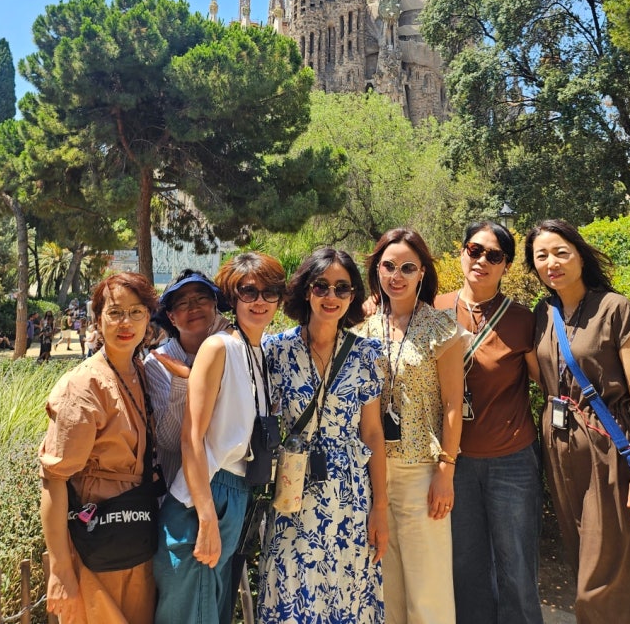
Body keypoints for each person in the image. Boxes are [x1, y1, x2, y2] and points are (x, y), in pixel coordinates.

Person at [525, 219, 630, 624]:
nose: (551, 263)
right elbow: (540, 375)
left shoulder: (615, 308)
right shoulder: (543, 313)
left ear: (580, 256)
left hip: (607, 447)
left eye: (560, 252)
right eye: (541, 256)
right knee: (584, 554)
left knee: (601, 576)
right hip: (559, 448)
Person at [258, 247, 388, 624]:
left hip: (348, 494)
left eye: (341, 288)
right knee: (289, 586)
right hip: (293, 487)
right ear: (306, 290)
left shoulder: (366, 354)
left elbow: (372, 433)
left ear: (352, 295)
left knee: (345, 592)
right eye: (321, 286)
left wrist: (380, 508)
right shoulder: (276, 350)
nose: (331, 296)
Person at [153, 252, 285, 624]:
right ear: (231, 297)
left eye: (270, 292)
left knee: (210, 611)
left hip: (235, 493)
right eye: (248, 291)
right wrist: (207, 518)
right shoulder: (218, 347)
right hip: (206, 497)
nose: (260, 301)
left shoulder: (257, 351)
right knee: (192, 612)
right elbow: (190, 439)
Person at [434, 222, 543, 624]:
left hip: (511, 461)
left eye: (494, 255)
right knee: (466, 568)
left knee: (517, 569)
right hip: (454, 462)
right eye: (474, 250)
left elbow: (547, 382)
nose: (481, 260)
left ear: (506, 265)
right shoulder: (435, 308)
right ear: (462, 252)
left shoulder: (521, 319)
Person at [39, 271, 159, 624]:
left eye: (136, 312)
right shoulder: (83, 386)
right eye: (115, 312)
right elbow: (54, 477)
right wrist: (60, 568)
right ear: (98, 319)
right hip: (94, 543)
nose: (126, 323)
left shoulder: (139, 372)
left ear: (148, 319)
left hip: (135, 534)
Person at [358, 228, 464, 624]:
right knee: (384, 587)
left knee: (427, 591)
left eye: (407, 267)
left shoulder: (440, 326)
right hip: (371, 472)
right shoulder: (362, 328)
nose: (396, 276)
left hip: (422, 471)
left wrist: (446, 471)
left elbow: (453, 404)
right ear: (377, 270)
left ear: (422, 272)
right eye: (388, 266)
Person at [144, 269, 233, 486]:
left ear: (215, 304)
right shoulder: (158, 363)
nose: (193, 307)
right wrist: (184, 381)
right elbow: (170, 441)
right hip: (179, 489)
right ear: (171, 317)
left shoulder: (234, 351)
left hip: (229, 486)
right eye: (182, 303)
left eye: (201, 298)